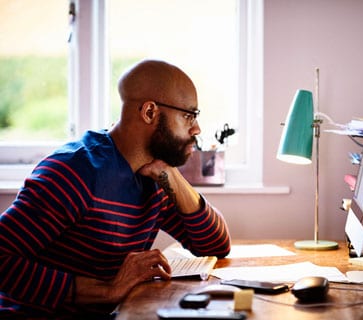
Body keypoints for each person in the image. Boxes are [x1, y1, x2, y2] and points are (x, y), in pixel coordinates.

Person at [0, 59, 231, 317]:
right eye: (189, 116)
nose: (197, 128)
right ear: (149, 112)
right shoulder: (74, 172)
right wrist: (107, 290)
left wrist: (170, 175)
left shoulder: (153, 174)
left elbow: (215, 246)